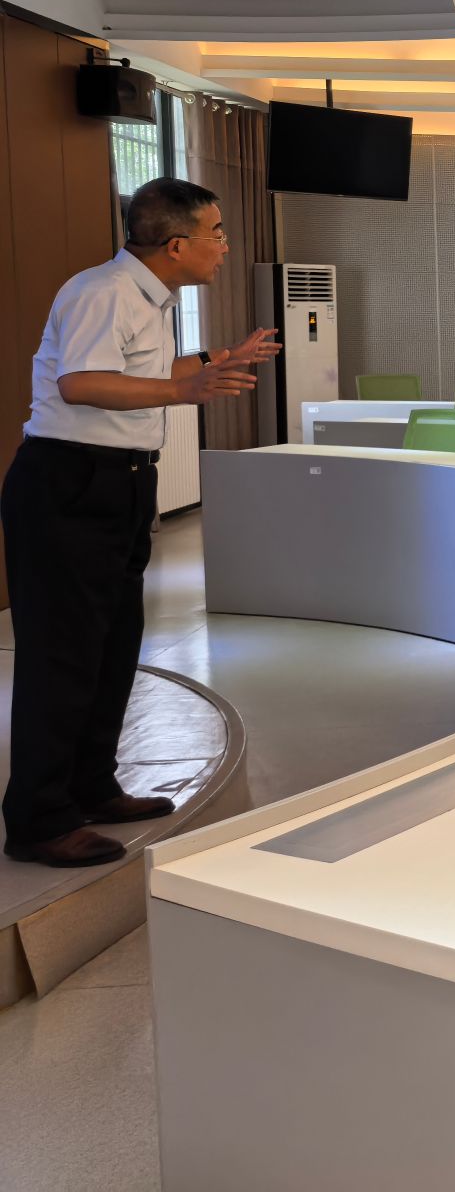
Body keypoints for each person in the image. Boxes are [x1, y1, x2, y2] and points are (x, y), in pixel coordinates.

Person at [3, 179, 280, 868]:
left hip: (120, 481)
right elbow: (81, 383)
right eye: (216, 233)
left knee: (113, 645)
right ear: (177, 244)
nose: (224, 246)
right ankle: (39, 818)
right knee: (64, 654)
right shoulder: (102, 291)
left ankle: (92, 786)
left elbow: (141, 372)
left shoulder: (151, 299)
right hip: (69, 482)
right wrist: (183, 389)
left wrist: (218, 359)